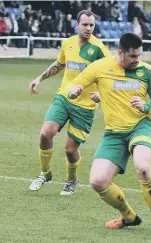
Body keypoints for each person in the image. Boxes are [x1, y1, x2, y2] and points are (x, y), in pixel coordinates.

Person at [68, 32, 151, 237]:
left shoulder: (146, 71)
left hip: (139, 126)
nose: (137, 60)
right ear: (120, 53)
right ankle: (129, 216)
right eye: (133, 56)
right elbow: (76, 83)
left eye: (139, 55)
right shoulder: (100, 67)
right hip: (114, 133)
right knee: (98, 181)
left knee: (143, 168)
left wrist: (145, 106)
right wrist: (76, 89)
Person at [28, 10, 111, 195]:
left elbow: (110, 76)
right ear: (77, 25)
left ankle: (71, 179)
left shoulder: (100, 49)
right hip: (64, 97)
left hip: (85, 106)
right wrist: (39, 78)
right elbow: (59, 64)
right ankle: (44, 174)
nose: (88, 28)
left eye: (91, 25)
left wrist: (100, 93)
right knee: (45, 134)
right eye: (85, 24)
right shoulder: (68, 43)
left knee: (69, 150)